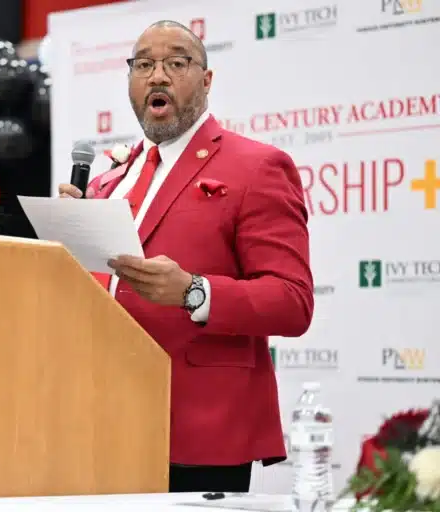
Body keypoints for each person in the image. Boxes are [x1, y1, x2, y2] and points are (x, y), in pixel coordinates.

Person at [59, 20, 313, 493]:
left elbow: (293, 301)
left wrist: (195, 291)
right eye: (144, 65)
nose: (158, 76)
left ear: (207, 80)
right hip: (100, 423)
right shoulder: (107, 182)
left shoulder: (256, 166)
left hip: (200, 429)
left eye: (176, 62)